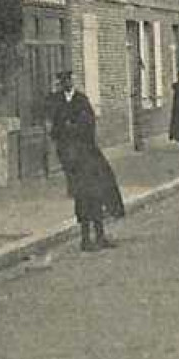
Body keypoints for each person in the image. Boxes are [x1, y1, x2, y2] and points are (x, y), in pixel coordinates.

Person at [46, 70, 118, 252]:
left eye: (70, 80)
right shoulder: (56, 102)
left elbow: (88, 124)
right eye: (64, 81)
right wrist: (68, 129)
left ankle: (100, 236)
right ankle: (86, 239)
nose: (68, 83)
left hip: (88, 154)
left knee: (97, 192)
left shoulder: (81, 100)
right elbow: (54, 130)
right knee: (81, 197)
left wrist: (72, 127)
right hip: (71, 158)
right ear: (60, 83)